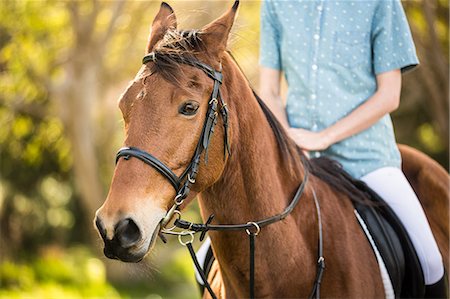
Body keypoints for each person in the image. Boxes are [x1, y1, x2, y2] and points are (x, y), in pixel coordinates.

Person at [259, 0, 446, 296]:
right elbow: (268, 89)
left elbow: (389, 95)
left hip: (368, 158)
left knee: (430, 261)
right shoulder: (276, 4)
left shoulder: (380, 3)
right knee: (213, 253)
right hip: (298, 160)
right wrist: (291, 142)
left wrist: (324, 138)